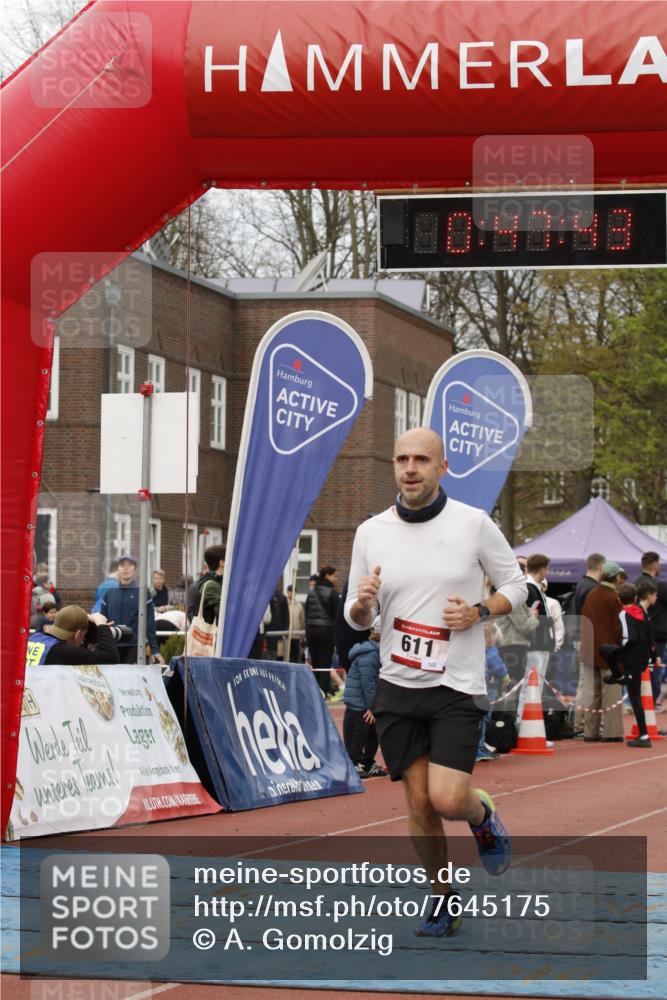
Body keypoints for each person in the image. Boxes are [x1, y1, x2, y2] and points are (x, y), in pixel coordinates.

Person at [344, 427, 526, 938]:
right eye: (401, 458)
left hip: (455, 684)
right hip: (398, 684)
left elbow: (518, 585)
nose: (409, 468)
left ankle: (482, 813)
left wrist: (479, 610)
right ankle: (443, 898)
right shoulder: (371, 531)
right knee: (419, 804)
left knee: (448, 800)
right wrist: (361, 602)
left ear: (441, 467)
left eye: (421, 459)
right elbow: (357, 615)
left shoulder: (473, 524)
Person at [602, 581, 658, 748]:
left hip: (632, 658)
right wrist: (653, 656)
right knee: (606, 650)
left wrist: (621, 651)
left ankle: (644, 735)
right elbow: (649, 635)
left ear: (619, 598)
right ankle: (620, 676)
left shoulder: (624, 613)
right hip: (642, 656)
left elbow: (630, 637)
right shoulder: (641, 610)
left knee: (635, 697)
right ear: (635, 598)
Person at [579, 560, 625, 742]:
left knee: (593, 693)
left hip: (590, 649)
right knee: (612, 691)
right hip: (609, 652)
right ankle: (612, 732)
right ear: (615, 577)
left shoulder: (593, 594)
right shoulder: (613, 598)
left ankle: (591, 731)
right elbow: (618, 627)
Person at [343, 617, 388, 778]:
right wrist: (372, 706)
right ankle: (354, 762)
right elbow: (368, 683)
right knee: (359, 734)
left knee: (373, 733)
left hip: (366, 702)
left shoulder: (378, 652)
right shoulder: (369, 654)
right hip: (359, 703)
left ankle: (368, 762)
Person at [101, 555, 163, 664]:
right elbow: (102, 621)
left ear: (135, 570)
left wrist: (155, 650)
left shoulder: (143, 593)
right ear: (118, 569)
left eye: (129, 565)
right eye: (122, 565)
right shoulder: (109, 593)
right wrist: (99, 644)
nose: (126, 568)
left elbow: (150, 622)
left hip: (135, 647)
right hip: (112, 647)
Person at [26, 606, 120, 665]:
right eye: (83, 636)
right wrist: (101, 624)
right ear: (78, 635)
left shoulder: (33, 638)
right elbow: (110, 657)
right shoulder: (61, 652)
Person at [634, 552, 667, 708]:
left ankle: (635, 704)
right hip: (656, 636)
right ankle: (650, 707)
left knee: (638, 671)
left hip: (636, 634)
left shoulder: (634, 584)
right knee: (654, 673)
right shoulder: (659, 586)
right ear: (655, 565)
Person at [476, 622, 512, 763]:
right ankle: (478, 748)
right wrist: (504, 675)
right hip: (487, 686)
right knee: (483, 718)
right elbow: (494, 661)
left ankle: (481, 746)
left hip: (481, 684)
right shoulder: (489, 648)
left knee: (479, 718)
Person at [305, 565, 340, 698]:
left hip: (311, 631)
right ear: (327, 576)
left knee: (315, 665)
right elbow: (337, 616)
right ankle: (322, 695)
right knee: (325, 666)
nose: (335, 579)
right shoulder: (332, 592)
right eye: (334, 575)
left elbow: (307, 613)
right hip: (326, 632)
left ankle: (313, 694)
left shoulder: (311, 592)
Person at [525, 554, 556, 651]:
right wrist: (549, 620)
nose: (547, 572)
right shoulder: (529, 588)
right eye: (547, 569)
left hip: (541, 643)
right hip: (536, 644)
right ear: (542, 570)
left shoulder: (535, 587)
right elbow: (533, 616)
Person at [188, 546, 225, 624]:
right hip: (212, 633)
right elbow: (224, 614)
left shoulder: (210, 580)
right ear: (222, 562)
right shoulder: (211, 585)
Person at [267, 583, 289, 659]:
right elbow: (286, 615)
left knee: (276, 649)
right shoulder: (282, 598)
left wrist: (286, 628)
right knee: (273, 649)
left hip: (275, 627)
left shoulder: (282, 598)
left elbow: (286, 615)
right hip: (274, 627)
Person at [286, 585, 305, 662]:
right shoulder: (284, 604)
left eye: (293, 591)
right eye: (290, 591)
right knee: (287, 656)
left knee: (295, 656)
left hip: (296, 635)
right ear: (287, 592)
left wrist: (302, 636)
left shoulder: (299, 606)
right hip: (286, 635)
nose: (291, 593)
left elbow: (302, 620)